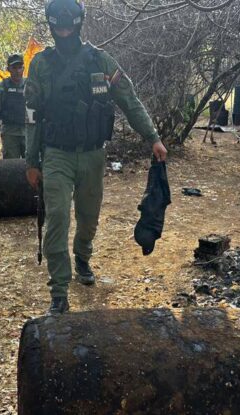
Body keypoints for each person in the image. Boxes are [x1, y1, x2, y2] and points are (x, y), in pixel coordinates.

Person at [25, 0, 168, 314]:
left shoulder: (101, 60)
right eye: (58, 25)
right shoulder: (40, 65)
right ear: (51, 25)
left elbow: (129, 100)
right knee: (58, 219)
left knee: (88, 218)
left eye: (68, 25)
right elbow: (33, 116)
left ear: (78, 24)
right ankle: (59, 291)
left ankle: (83, 259)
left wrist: (153, 138)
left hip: (92, 156)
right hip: (57, 156)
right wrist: (31, 162)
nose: (63, 31)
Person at [0, 54, 26, 159]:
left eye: (20, 67)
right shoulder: (1, 87)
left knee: (32, 167)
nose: (17, 71)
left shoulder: (30, 85)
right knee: (11, 167)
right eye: (14, 68)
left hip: (28, 132)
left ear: (24, 68)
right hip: (10, 133)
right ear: (8, 69)